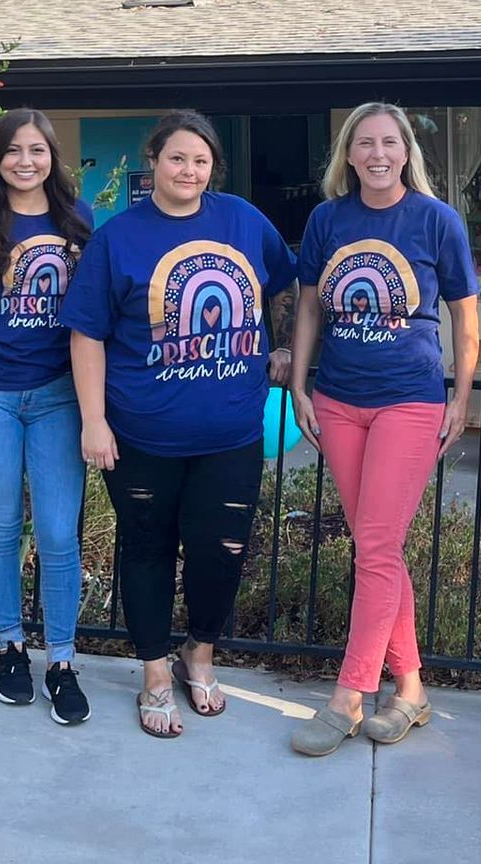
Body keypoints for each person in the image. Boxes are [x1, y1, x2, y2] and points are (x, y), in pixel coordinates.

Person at [63, 110, 297, 739]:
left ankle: (200, 654)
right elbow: (86, 334)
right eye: (176, 159)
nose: (188, 171)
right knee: (145, 550)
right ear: (154, 163)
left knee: (221, 554)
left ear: (212, 167)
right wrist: (94, 421)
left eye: (199, 160)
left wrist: (284, 347)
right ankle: (154, 674)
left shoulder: (243, 220)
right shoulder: (118, 238)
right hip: (141, 436)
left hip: (232, 434)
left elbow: (288, 281)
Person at [288, 103, 479, 758]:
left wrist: (461, 396)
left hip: (410, 401)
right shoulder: (327, 220)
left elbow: (464, 312)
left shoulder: (435, 220)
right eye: (363, 143)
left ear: (406, 153)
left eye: (389, 143)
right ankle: (412, 690)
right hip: (339, 401)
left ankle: (348, 696)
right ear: (347, 153)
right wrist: (300, 383)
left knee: (374, 545)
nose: (376, 153)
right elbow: (310, 304)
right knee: (378, 549)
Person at [0, 109, 95, 726]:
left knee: (58, 533)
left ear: (52, 157)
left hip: (59, 395)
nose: (25, 161)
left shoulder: (79, 223)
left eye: (37, 150)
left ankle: (62, 660)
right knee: (2, 526)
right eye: (13, 151)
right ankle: (10, 646)